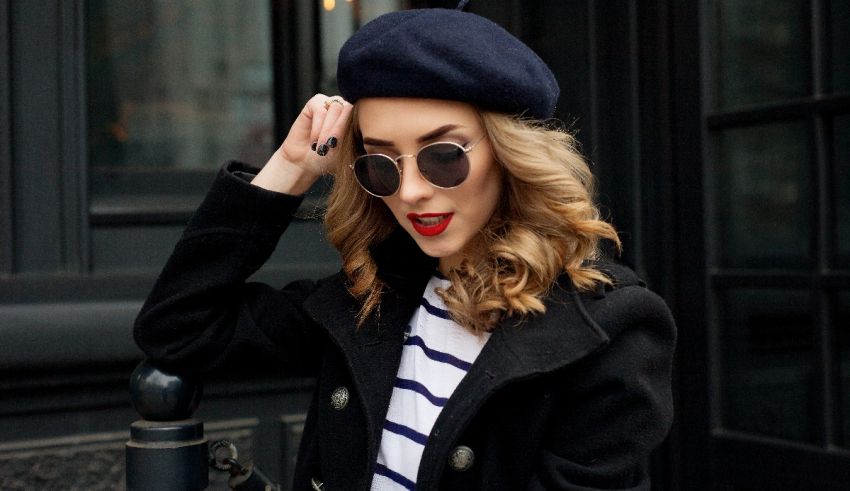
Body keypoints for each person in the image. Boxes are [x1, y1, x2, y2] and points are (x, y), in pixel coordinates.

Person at [134, 3, 675, 490]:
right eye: (380, 162)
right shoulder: (372, 296)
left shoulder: (611, 326)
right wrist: (291, 170)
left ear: (513, 154)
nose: (412, 190)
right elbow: (180, 327)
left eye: (442, 155)